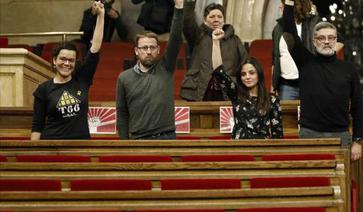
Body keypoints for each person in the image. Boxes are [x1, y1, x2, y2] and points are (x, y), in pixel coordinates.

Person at [282, 0, 363, 160]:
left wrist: (358, 140)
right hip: (309, 135)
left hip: (341, 137)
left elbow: (358, 107)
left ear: (336, 41)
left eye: (331, 38)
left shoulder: (349, 69)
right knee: (309, 183)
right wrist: (289, 3)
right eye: (321, 38)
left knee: (342, 184)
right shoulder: (305, 61)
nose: (326, 41)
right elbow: (289, 33)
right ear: (314, 42)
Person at [31, 1, 105, 140]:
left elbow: (95, 47)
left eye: (71, 60)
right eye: (62, 59)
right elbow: (37, 126)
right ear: (54, 60)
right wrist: (33, 156)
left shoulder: (82, 79)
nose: (67, 63)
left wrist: (101, 15)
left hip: (81, 147)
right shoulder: (44, 89)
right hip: (52, 148)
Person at [116, 0, 183, 140]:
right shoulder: (124, 78)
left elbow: (175, 38)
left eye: (152, 48)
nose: (148, 51)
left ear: (158, 50)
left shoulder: (165, 67)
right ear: (136, 51)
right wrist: (124, 144)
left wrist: (179, 8)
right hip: (138, 139)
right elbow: (122, 113)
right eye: (144, 48)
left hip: (166, 137)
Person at [211, 29, 284, 139]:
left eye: (251, 73)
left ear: (258, 75)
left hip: (262, 149)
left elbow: (277, 134)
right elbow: (218, 71)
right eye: (243, 74)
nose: (247, 77)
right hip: (239, 150)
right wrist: (216, 42)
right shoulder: (236, 94)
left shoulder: (272, 100)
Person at [180, 1, 248, 101]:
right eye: (212, 17)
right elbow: (187, 22)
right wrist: (189, 3)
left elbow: (245, 63)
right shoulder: (198, 36)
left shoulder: (235, 40)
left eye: (219, 16)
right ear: (204, 20)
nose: (216, 19)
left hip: (227, 92)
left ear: (224, 20)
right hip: (201, 92)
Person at [272, 0, 320, 99]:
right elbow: (275, 57)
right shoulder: (278, 28)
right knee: (286, 114)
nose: (280, 7)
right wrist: (274, 84)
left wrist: (325, 60)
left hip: (311, 83)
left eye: (283, 4)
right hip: (286, 85)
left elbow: (338, 40)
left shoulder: (312, 24)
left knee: (311, 114)